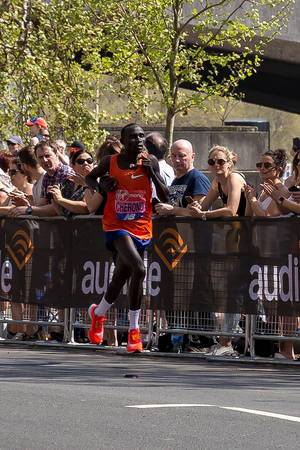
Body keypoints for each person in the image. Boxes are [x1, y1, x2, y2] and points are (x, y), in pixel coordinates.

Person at [85, 123, 169, 352]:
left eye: (141, 136)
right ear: (123, 140)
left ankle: (98, 312)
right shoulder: (110, 162)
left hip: (142, 225)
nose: (139, 140)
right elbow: (90, 179)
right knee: (139, 269)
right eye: (133, 137)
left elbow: (165, 195)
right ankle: (134, 331)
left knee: (122, 275)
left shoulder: (149, 161)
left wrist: (152, 173)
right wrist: (102, 184)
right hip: (117, 225)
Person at [187, 145, 246, 356]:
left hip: (249, 241)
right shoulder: (216, 182)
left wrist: (203, 215)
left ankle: (227, 341)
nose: (216, 165)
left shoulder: (234, 179)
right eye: (212, 162)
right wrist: (193, 208)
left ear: (229, 162)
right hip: (232, 242)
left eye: (220, 161)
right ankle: (237, 339)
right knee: (235, 291)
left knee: (237, 292)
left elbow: (231, 210)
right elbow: (202, 206)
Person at [245, 148, 296, 359]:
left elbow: (268, 216)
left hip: (279, 253)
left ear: (279, 169)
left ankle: (288, 350)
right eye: (260, 165)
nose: (262, 169)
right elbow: (250, 216)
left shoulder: (281, 190)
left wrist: (255, 202)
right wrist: (250, 198)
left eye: (267, 165)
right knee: (269, 302)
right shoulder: (263, 189)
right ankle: (277, 346)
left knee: (285, 304)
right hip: (262, 252)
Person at [9, 141, 76, 217]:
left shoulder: (65, 173)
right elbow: (42, 205)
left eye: (47, 155)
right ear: (36, 159)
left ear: (56, 155)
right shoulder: (47, 177)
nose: (44, 160)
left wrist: (28, 209)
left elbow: (59, 208)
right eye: (40, 157)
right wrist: (27, 204)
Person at [155, 139, 210, 216]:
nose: (177, 160)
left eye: (181, 156)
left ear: (192, 157)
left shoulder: (198, 179)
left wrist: (172, 210)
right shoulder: (175, 180)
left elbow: (200, 212)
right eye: (173, 156)